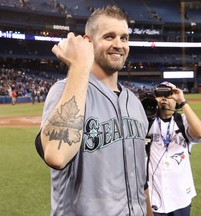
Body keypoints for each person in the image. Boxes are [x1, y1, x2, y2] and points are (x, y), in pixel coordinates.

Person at [35, 5, 153, 216]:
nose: (119, 45)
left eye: (124, 38)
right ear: (89, 42)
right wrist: (79, 66)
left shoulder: (135, 104)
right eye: (109, 37)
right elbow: (57, 155)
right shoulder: (64, 90)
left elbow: (140, 180)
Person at [146, 81, 201, 216]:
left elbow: (200, 132)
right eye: (160, 95)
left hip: (180, 196)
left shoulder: (183, 121)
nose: (165, 99)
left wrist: (183, 101)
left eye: (169, 95)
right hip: (153, 195)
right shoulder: (147, 121)